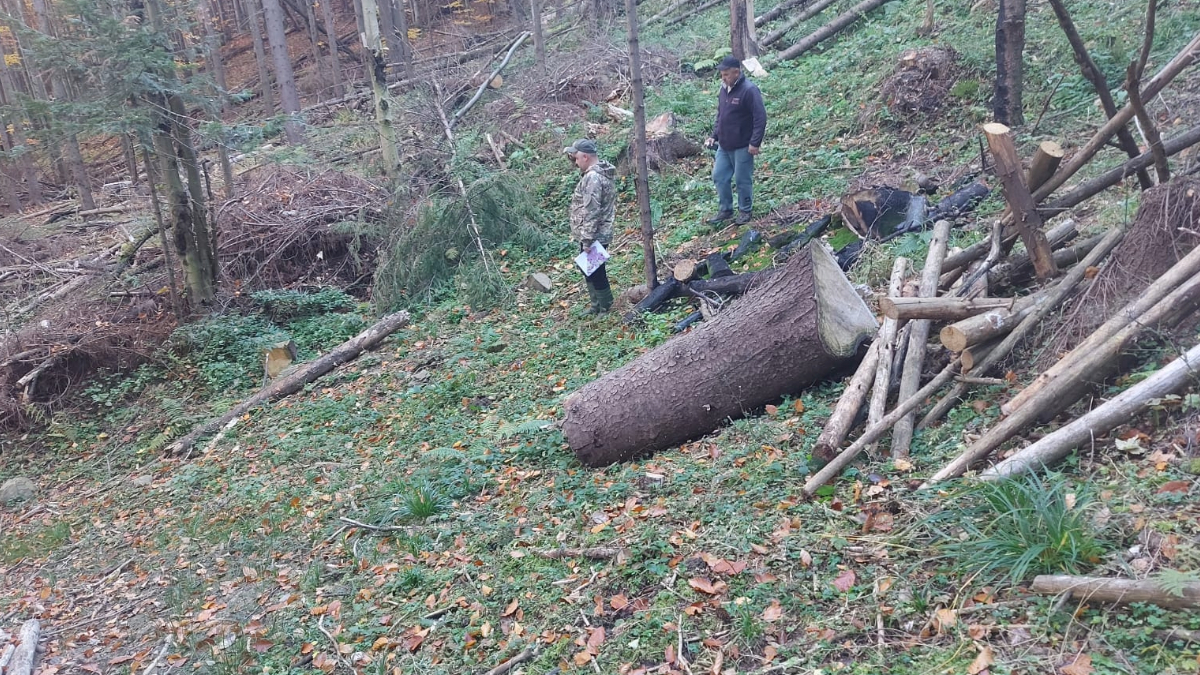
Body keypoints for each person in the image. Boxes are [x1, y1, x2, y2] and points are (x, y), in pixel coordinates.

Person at [705, 56, 767, 226]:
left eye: (726, 74)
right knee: (719, 176)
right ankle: (725, 209)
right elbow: (721, 116)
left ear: (736, 72)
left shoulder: (749, 90)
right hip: (724, 145)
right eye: (722, 75)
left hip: (742, 146)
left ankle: (745, 210)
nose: (723, 78)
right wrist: (714, 136)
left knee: (742, 179)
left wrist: (755, 143)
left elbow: (760, 118)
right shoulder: (724, 89)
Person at [563, 139, 617, 315]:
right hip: (593, 231)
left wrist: (587, 239)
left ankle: (606, 306)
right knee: (588, 268)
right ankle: (596, 305)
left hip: (595, 233)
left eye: (576, 157)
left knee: (596, 271)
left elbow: (592, 211)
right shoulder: (598, 174)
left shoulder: (593, 178)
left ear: (585, 156)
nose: (575, 161)